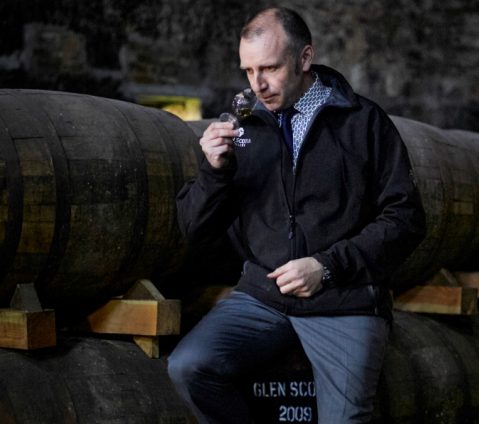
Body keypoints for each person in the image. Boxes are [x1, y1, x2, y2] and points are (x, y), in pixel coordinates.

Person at [168, 6, 426, 424]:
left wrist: (326, 267)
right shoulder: (244, 127)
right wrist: (214, 171)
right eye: (248, 70)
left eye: (270, 68)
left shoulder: (363, 122)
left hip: (344, 301)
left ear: (305, 58)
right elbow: (194, 230)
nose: (258, 84)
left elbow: (406, 219)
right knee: (188, 367)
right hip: (264, 297)